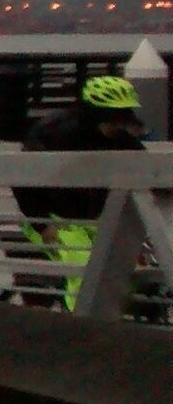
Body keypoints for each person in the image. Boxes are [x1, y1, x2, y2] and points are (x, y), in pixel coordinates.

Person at [17, 76, 148, 310]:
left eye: (123, 118)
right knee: (85, 271)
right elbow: (24, 180)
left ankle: (116, 318)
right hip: (54, 218)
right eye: (114, 118)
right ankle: (79, 322)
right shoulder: (54, 133)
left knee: (126, 269)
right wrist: (43, 224)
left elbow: (148, 170)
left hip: (97, 219)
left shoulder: (122, 141)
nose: (119, 126)